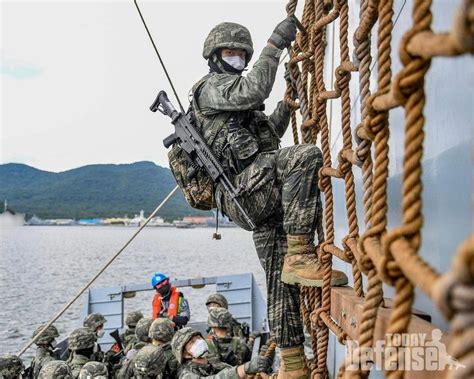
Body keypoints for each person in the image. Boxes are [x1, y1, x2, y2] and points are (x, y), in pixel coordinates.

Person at [183, 20, 349, 377]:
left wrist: (288, 105)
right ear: (214, 57)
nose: (238, 58)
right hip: (244, 194)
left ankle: (292, 364)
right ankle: (301, 252)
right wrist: (275, 44)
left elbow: (270, 133)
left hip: (258, 196)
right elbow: (254, 87)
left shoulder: (240, 109)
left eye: (243, 54)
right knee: (304, 156)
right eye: (231, 53)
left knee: (279, 285)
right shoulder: (211, 88)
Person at [171, 327, 270, 378]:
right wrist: (244, 368)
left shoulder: (213, 363)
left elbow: (232, 372)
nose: (199, 342)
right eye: (192, 342)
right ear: (186, 354)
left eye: (198, 338)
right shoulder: (185, 374)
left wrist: (261, 357)